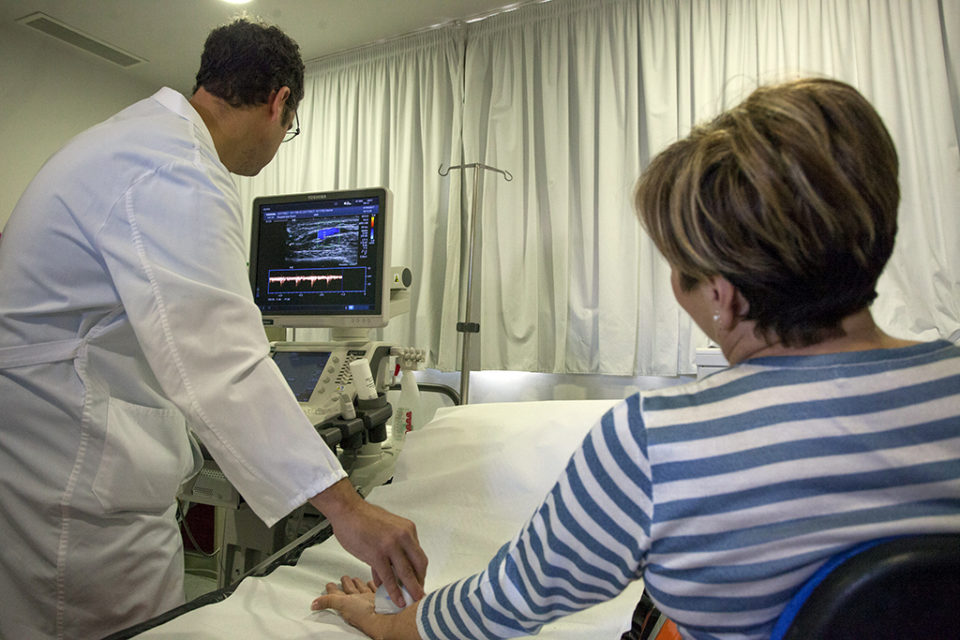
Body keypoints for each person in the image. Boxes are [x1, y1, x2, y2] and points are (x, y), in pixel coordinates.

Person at [313, 77, 960, 639]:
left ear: (722, 297)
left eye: (678, 272)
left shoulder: (659, 442)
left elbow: (488, 614)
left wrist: (380, 618)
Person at [0, 18, 426, 640]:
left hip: (46, 454)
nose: (283, 140)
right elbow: (225, 364)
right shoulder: (177, 168)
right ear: (280, 102)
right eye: (291, 127)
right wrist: (348, 509)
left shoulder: (136, 142)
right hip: (76, 489)